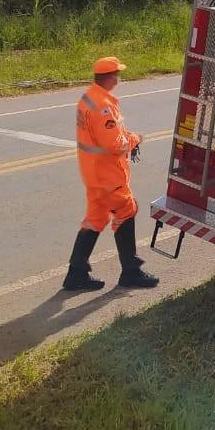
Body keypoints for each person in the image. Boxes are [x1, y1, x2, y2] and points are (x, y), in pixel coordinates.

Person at [63, 56, 159, 290]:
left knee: (95, 219)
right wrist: (135, 139)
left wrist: (125, 136)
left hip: (93, 174)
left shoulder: (88, 98)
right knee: (127, 209)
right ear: (109, 77)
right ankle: (131, 271)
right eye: (116, 74)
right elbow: (114, 143)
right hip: (108, 175)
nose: (118, 78)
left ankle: (76, 274)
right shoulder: (103, 106)